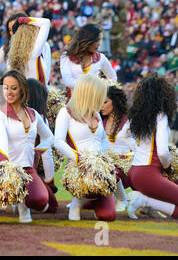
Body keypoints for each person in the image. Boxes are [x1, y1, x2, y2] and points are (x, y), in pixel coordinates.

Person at [0, 69, 54, 225]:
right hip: (5, 166)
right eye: (5, 87)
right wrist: (5, 165)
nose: (9, 92)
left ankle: (24, 206)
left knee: (41, 200)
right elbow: (2, 140)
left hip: (27, 168)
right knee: (0, 187)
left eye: (14, 88)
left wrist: (38, 150)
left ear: (22, 89)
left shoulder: (33, 114)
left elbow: (49, 136)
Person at [54, 74, 115, 221]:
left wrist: (104, 161)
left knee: (108, 216)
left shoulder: (97, 115)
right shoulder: (66, 113)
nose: (101, 99)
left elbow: (104, 140)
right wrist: (77, 158)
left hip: (100, 170)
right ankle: (78, 201)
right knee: (104, 211)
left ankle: (85, 201)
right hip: (79, 168)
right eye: (98, 95)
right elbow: (57, 141)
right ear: (89, 93)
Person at [126, 74, 178, 220]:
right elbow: (162, 152)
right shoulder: (161, 115)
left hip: (134, 173)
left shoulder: (137, 115)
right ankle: (143, 201)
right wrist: (167, 167)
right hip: (148, 174)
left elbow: (124, 136)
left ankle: (147, 203)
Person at [0, 13, 51, 86]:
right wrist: (2, 85)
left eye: (15, 28)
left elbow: (47, 72)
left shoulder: (41, 45)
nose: (12, 33)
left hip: (36, 91)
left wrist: (21, 20)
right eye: (10, 30)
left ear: (25, 28)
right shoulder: (6, 48)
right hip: (15, 93)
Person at [100, 84, 136, 212]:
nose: (101, 106)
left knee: (111, 171)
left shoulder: (129, 121)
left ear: (115, 102)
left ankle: (122, 199)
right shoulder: (98, 121)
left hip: (124, 169)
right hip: (106, 168)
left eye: (105, 102)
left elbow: (137, 147)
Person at [26, 78, 59, 214]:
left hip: (10, 166)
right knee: (53, 207)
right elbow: (47, 154)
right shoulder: (38, 117)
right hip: (28, 167)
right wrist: (50, 183)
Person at [59, 24, 117, 100]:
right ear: (88, 40)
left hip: (94, 107)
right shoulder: (66, 57)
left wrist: (102, 90)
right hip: (73, 106)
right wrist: (92, 86)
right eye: (97, 40)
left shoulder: (101, 58)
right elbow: (68, 81)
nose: (99, 44)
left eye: (100, 40)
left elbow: (113, 77)